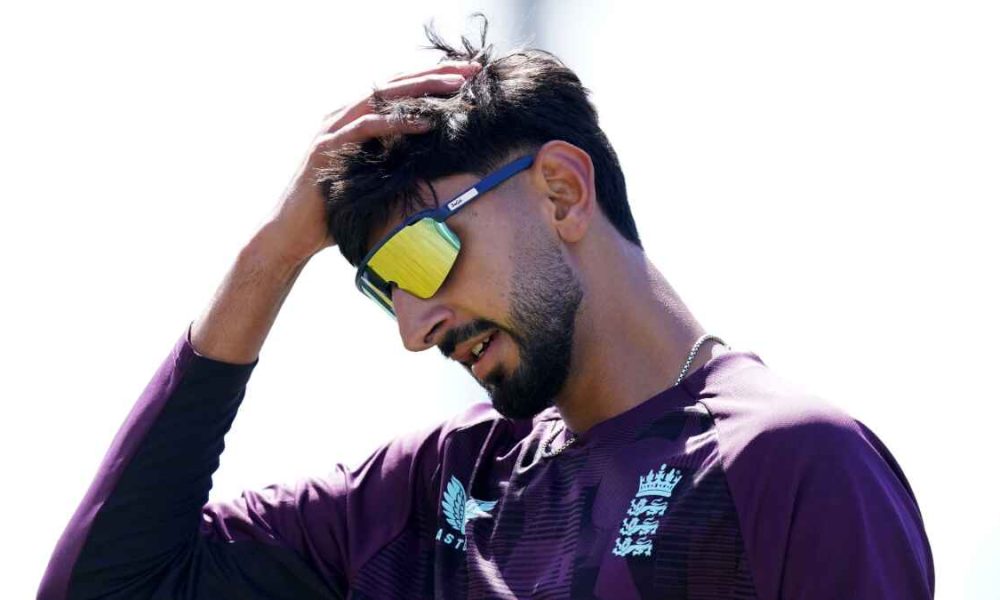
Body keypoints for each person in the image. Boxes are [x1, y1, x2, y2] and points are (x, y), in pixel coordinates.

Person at [38, 20, 934, 600]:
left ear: (558, 192)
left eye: (421, 256)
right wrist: (268, 259)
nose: (413, 328)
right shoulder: (434, 489)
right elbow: (111, 588)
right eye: (383, 288)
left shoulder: (788, 467)